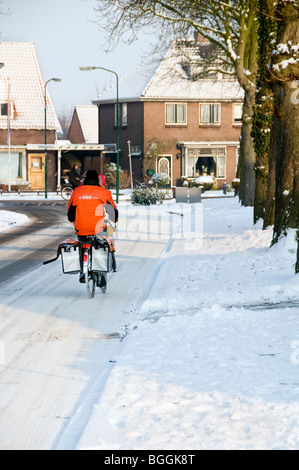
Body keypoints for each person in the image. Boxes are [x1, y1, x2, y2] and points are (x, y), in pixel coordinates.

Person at [67, 169, 118, 285]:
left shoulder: (77, 191)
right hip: (98, 229)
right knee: (101, 243)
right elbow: (113, 212)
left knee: (82, 245)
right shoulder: (103, 192)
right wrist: (114, 221)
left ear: (84, 180)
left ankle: (82, 271)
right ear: (97, 180)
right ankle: (100, 273)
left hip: (81, 229)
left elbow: (70, 215)